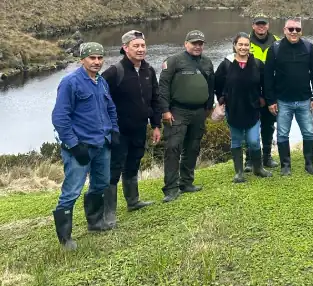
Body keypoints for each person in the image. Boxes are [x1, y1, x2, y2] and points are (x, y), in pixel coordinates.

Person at [51, 42, 120, 250]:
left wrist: (114, 130)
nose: (97, 62)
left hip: (102, 144)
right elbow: (60, 117)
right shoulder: (70, 83)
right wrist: (73, 145)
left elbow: (110, 108)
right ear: (82, 59)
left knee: (101, 184)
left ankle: (95, 223)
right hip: (80, 147)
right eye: (92, 58)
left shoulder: (101, 82)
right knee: (71, 191)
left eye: (100, 58)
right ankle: (65, 239)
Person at [101, 30, 162, 226]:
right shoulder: (114, 72)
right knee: (114, 169)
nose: (140, 49)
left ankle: (133, 201)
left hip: (139, 128)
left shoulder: (149, 71)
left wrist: (156, 125)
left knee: (133, 163)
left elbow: (154, 99)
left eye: (143, 45)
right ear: (125, 48)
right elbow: (100, 100)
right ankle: (108, 213)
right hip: (118, 131)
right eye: (136, 46)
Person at [159, 30, 215, 202]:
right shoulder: (174, 61)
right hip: (178, 111)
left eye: (200, 43)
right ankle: (171, 188)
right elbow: (163, 87)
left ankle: (187, 182)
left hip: (199, 112)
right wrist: (165, 110)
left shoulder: (207, 62)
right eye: (194, 43)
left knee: (193, 147)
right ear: (186, 44)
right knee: (173, 148)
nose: (197, 46)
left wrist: (208, 107)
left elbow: (211, 85)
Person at [264, 17, 313, 176]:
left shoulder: (309, 48)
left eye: (297, 29)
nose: (294, 32)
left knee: (309, 133)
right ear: (284, 30)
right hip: (283, 101)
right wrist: (271, 100)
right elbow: (268, 77)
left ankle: (309, 165)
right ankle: (285, 166)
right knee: (282, 134)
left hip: (304, 100)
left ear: (301, 31)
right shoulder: (274, 49)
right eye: (291, 29)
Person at [214, 32, 272, 183]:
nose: (243, 47)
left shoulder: (258, 64)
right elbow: (217, 83)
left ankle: (258, 168)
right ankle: (239, 172)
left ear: (250, 47)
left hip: (252, 108)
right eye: (240, 44)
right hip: (233, 109)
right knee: (236, 141)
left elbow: (266, 84)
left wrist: (264, 98)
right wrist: (221, 98)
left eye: (246, 45)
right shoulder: (226, 64)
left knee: (253, 141)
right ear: (235, 46)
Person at [248, 16, 279, 169]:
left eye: (263, 24)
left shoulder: (278, 40)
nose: (261, 27)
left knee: (268, 125)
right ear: (253, 25)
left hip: (271, 91)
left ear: (268, 25)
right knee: (249, 124)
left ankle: (266, 156)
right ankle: (249, 159)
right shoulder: (244, 41)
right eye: (258, 24)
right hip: (251, 91)